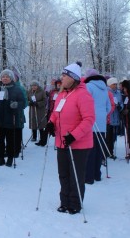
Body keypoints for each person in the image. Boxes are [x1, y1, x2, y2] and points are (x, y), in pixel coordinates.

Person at [46, 63, 95, 214]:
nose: (62, 78)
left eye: (65, 76)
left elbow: (89, 119)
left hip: (78, 144)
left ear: (73, 78)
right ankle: (64, 201)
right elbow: (56, 112)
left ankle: (75, 203)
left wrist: (74, 135)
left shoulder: (83, 95)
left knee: (76, 175)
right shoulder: (62, 94)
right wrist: (50, 123)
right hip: (62, 141)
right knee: (63, 174)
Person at [83, 69, 111, 184]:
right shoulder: (105, 88)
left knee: (90, 150)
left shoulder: (88, 87)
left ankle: (89, 177)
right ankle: (97, 174)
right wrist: (102, 114)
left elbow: (84, 103)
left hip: (91, 122)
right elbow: (108, 107)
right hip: (101, 123)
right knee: (99, 150)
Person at [0, 69, 25, 167]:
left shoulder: (16, 89)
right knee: (0, 140)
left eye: (7, 77)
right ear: (1, 78)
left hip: (11, 118)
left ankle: (10, 158)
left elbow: (23, 102)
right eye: (3, 77)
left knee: (10, 140)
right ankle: (1, 158)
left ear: (11, 78)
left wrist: (16, 104)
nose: (5, 78)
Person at [27, 80, 48, 145]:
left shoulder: (42, 91)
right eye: (32, 85)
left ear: (37, 86)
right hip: (32, 109)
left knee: (40, 123)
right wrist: (29, 103)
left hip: (40, 110)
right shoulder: (29, 91)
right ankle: (34, 136)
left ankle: (42, 138)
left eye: (35, 85)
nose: (34, 87)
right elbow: (27, 99)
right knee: (33, 122)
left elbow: (45, 100)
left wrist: (38, 103)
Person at [106, 77, 123, 158]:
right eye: (114, 84)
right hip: (108, 118)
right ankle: (106, 152)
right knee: (108, 136)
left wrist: (120, 106)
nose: (115, 86)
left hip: (116, 118)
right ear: (109, 84)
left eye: (116, 84)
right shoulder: (106, 92)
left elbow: (121, 103)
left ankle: (111, 151)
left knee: (113, 137)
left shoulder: (118, 93)